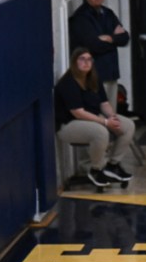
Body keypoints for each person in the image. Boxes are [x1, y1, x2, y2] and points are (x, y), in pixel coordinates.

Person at [54, 48, 136, 187]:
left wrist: (113, 118)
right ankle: (96, 169)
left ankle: (112, 165)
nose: (86, 62)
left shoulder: (93, 79)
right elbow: (78, 112)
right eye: (82, 59)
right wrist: (105, 122)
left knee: (128, 125)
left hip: (93, 118)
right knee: (100, 132)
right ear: (74, 62)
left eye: (89, 59)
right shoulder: (68, 83)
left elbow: (104, 103)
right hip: (68, 124)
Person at [68, 0, 130, 110]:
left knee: (111, 112)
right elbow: (93, 46)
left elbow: (125, 38)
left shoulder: (108, 13)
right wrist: (114, 38)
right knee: (99, 113)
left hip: (111, 73)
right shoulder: (81, 18)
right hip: (94, 76)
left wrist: (109, 38)